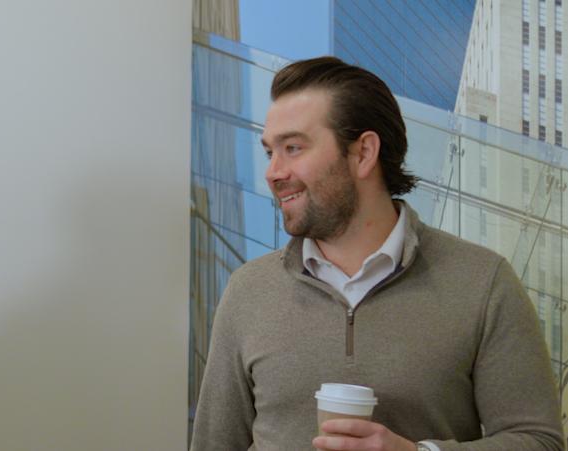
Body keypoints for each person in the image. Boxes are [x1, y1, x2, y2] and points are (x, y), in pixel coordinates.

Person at [190, 56, 564, 451]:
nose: (273, 171)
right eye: (270, 152)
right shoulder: (250, 290)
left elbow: (540, 442)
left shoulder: (483, 283)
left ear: (364, 152)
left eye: (293, 147)